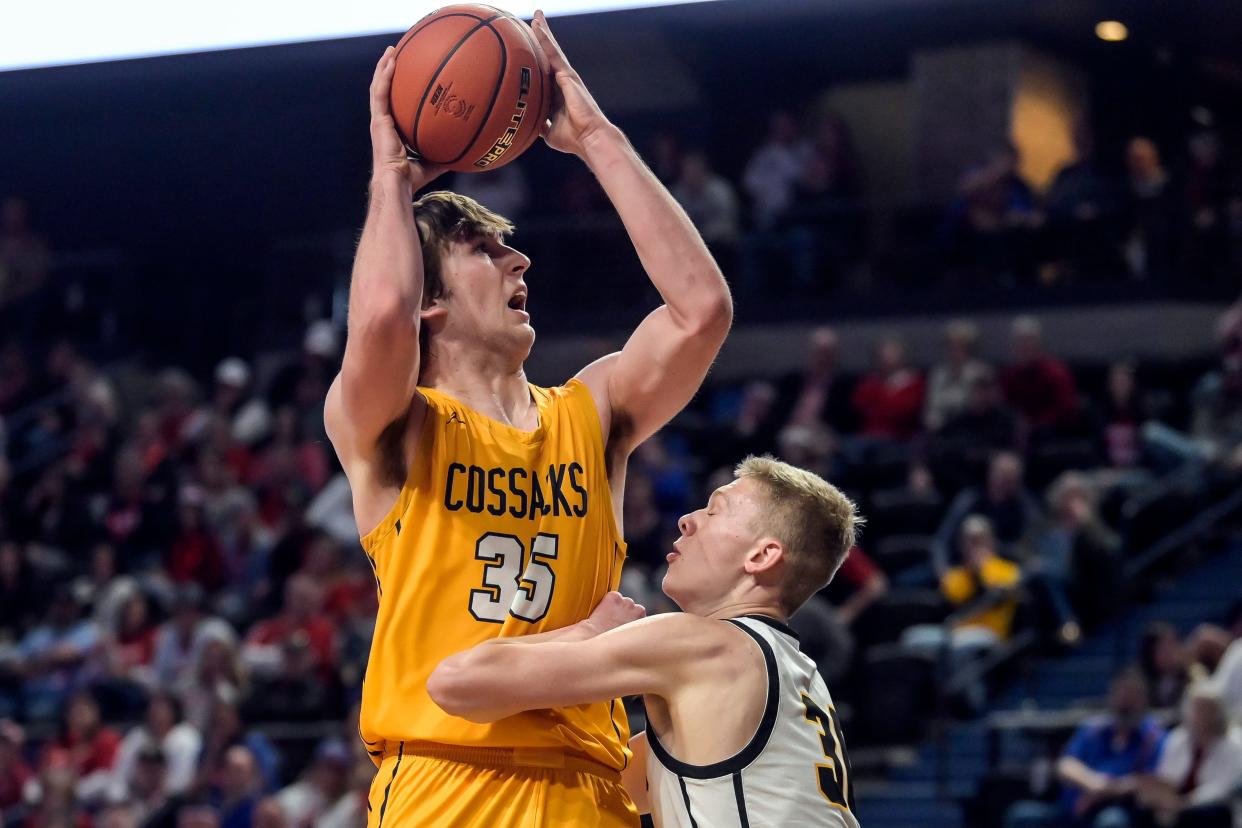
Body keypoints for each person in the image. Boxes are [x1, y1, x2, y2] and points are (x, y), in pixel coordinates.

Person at [324, 15, 733, 828]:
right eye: (483, 248)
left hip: (594, 786)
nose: (520, 260)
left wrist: (596, 136)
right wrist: (392, 178)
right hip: (446, 780)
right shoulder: (395, 424)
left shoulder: (592, 411)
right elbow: (377, 319)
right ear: (432, 301)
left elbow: (702, 311)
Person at [428, 456, 861, 827]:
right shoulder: (799, 679)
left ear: (761, 556)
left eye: (714, 510)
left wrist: (589, 631)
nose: (687, 520)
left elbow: (456, 682)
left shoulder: (705, 643)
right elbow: (612, 787)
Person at [1005, 670, 1166, 828]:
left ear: (1144, 700)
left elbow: (1149, 781)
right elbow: (1065, 765)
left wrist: (1106, 790)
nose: (1124, 703)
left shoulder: (1152, 737)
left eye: (1131, 696)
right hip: (1072, 811)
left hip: (1115, 808)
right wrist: (1092, 783)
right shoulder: (1093, 729)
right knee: (1022, 816)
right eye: (1120, 694)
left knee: (1112, 821)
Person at [1136, 683, 1242, 828]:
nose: (1201, 716)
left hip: (1213, 809)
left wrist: (1184, 804)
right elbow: (1166, 777)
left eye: (1207, 710)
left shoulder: (1234, 745)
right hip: (1175, 804)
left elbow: (1222, 790)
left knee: (1205, 814)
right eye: (1197, 710)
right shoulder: (1178, 738)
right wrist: (1160, 798)